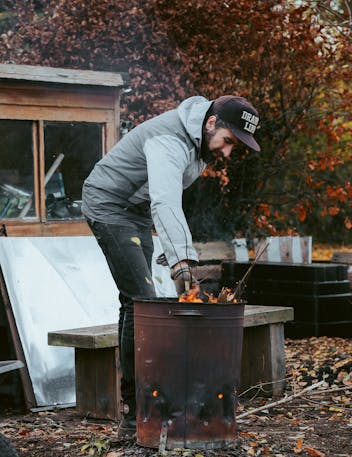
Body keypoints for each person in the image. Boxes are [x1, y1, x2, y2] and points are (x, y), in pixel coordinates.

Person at [81, 95, 260, 437]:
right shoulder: (170, 139)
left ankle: (140, 410)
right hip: (107, 204)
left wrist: (174, 246)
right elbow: (164, 198)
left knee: (133, 301)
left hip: (134, 211)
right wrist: (181, 261)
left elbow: (165, 200)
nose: (227, 152)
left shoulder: (198, 147)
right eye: (228, 142)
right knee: (143, 301)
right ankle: (137, 415)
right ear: (211, 124)